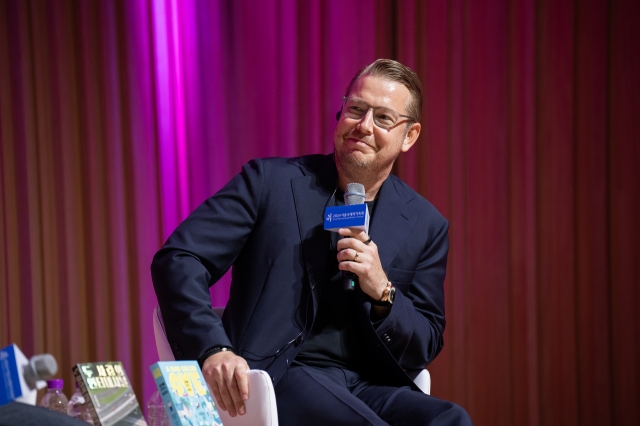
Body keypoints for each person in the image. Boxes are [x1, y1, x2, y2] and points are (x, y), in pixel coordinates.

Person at [152, 59, 472, 425]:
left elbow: (425, 341)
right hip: (281, 375)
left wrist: (383, 290)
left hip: (370, 385)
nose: (364, 126)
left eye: (383, 118)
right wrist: (214, 348)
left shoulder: (425, 224)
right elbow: (179, 258)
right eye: (356, 109)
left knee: (451, 419)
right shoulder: (268, 183)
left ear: (409, 136)